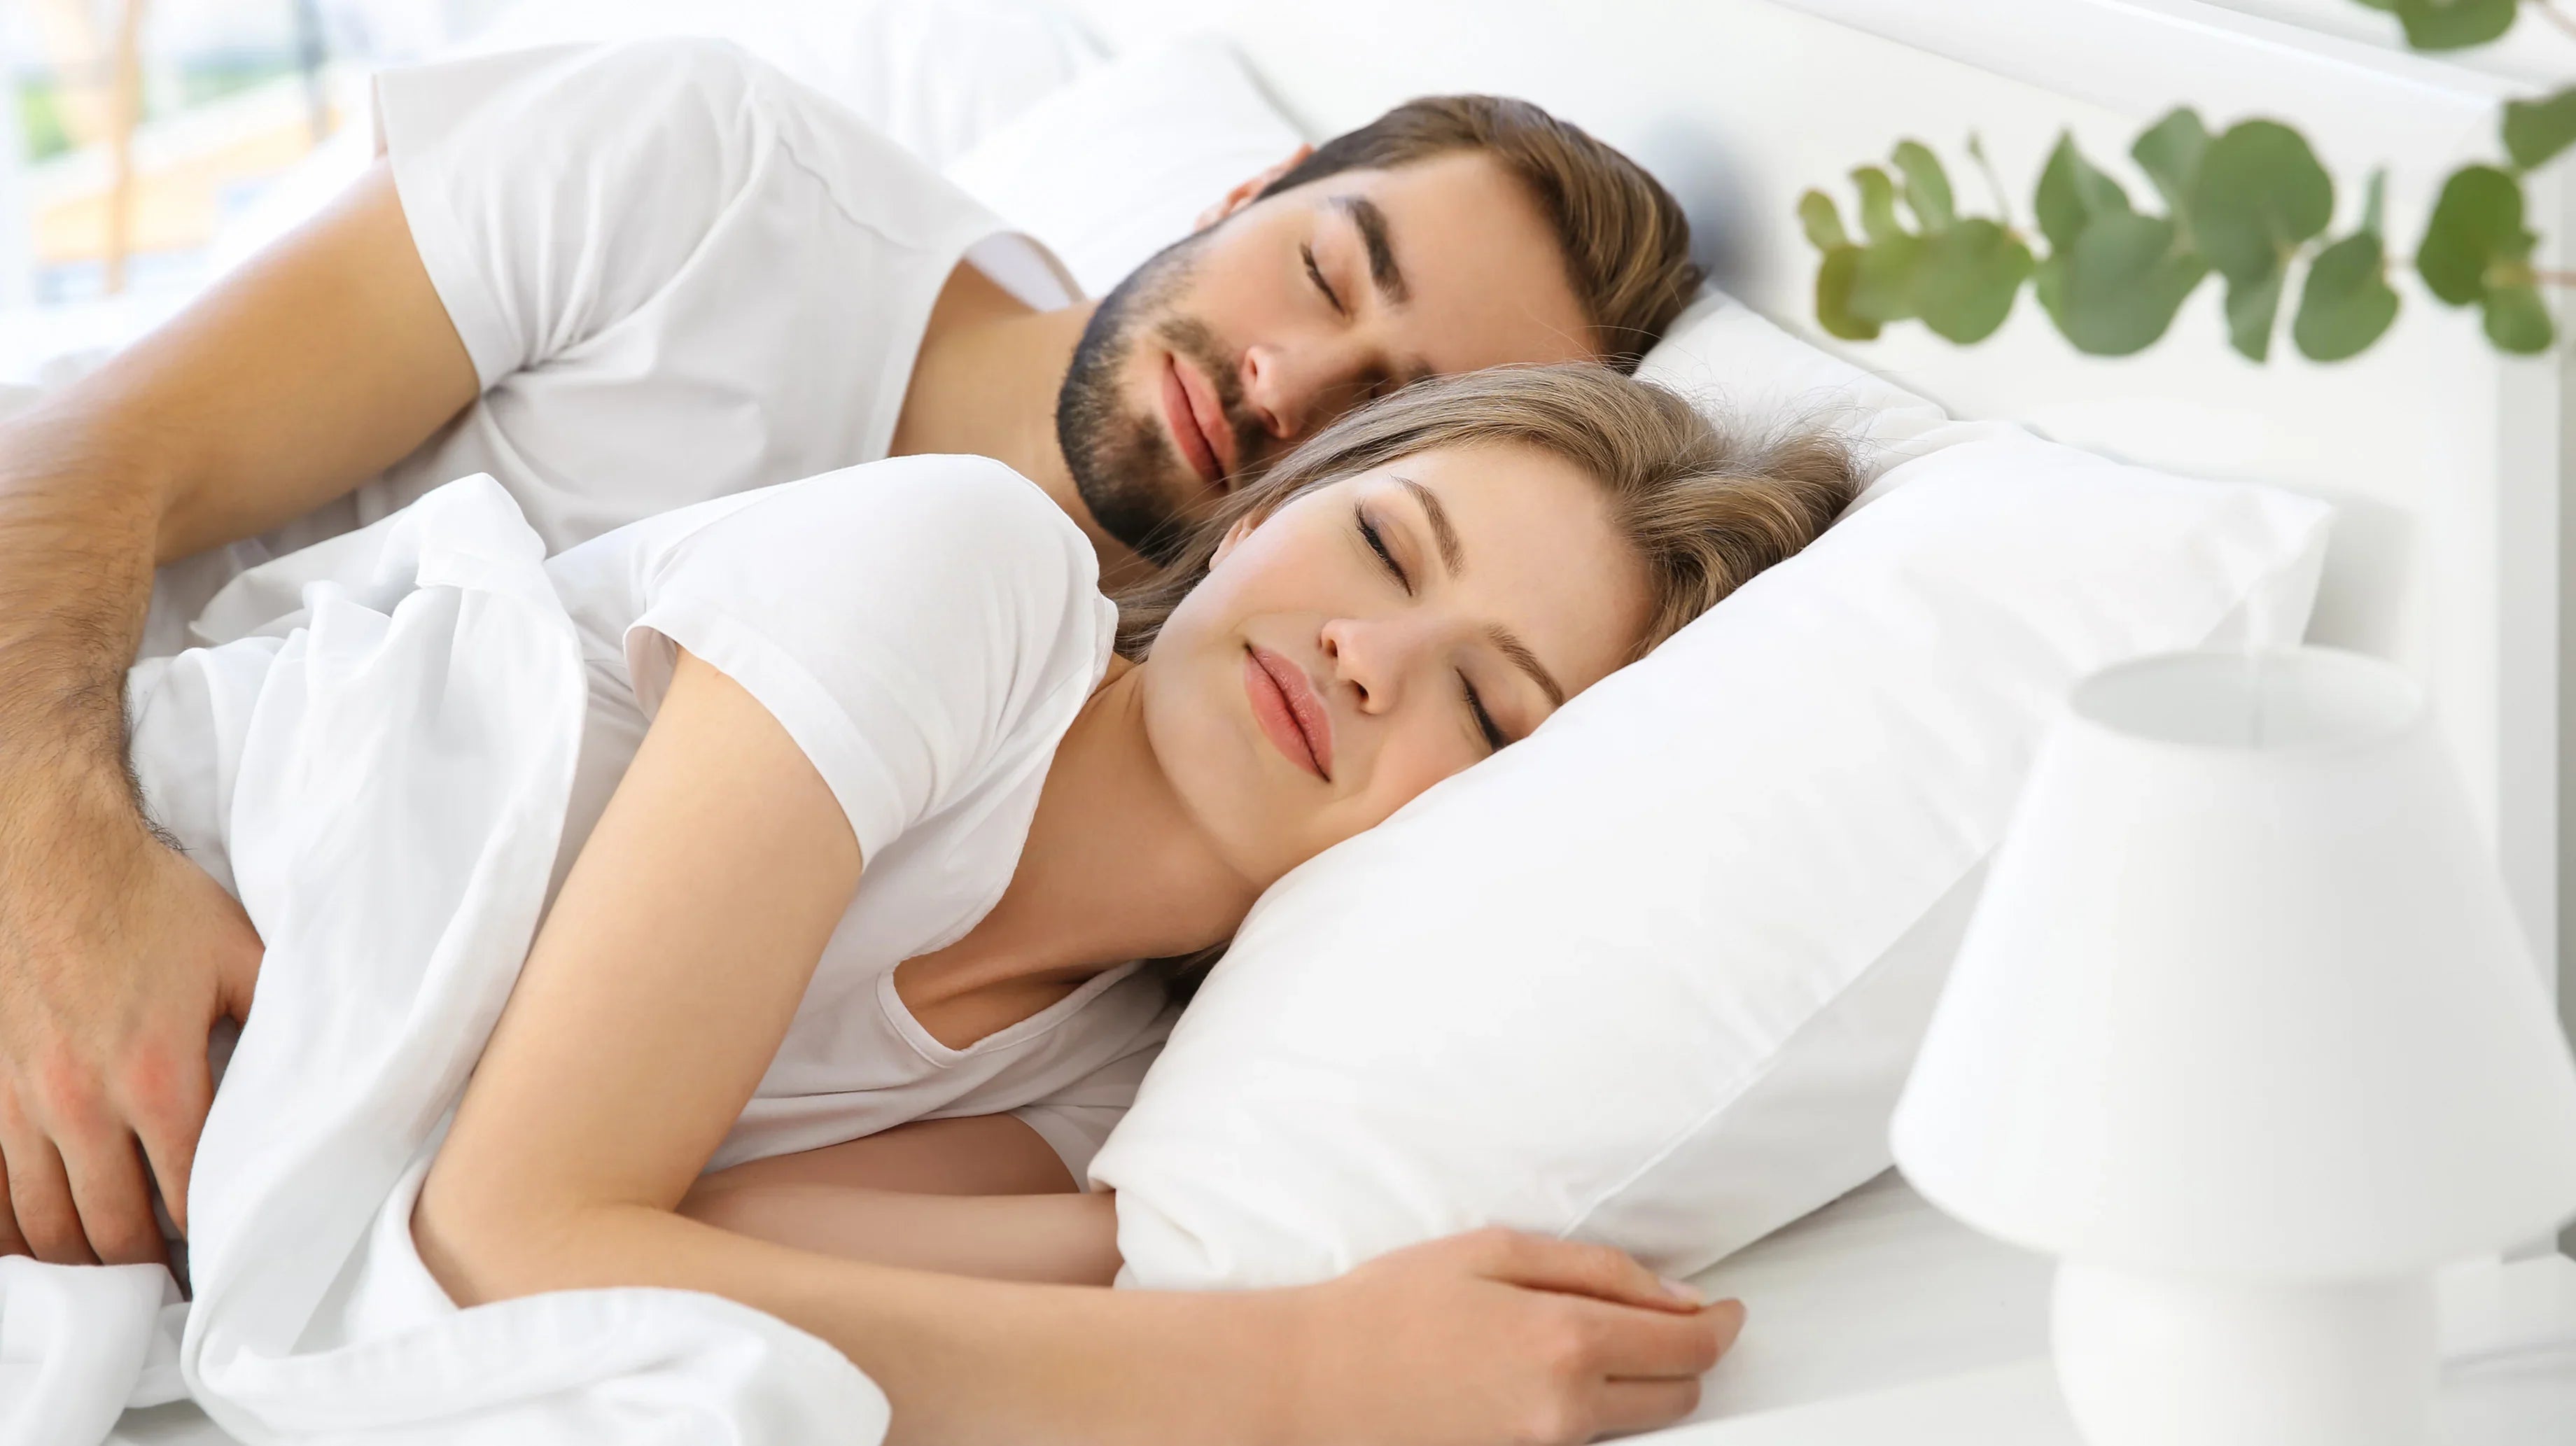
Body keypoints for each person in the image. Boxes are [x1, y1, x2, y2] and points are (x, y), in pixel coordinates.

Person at [0, 37, 1705, 1269]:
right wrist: (64, 878)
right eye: (1326, 272)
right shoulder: (709, 175)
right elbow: (76, 462)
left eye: (1393, 417)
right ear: (1248, 192)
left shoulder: (1163, 781)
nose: (1287, 386)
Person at [378, 361, 1854, 1443]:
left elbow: (711, 1257)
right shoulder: (966, 573)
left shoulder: (1116, 1099)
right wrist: (1303, 1376)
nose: (1364, 651)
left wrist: (1157, 1257)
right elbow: (507, 1241)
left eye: (1480, 705)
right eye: (1387, 545)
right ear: (1256, 516)